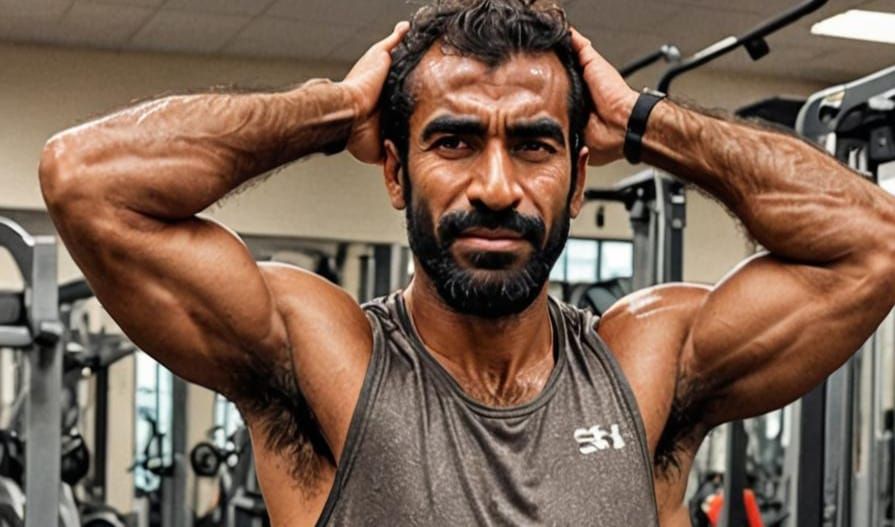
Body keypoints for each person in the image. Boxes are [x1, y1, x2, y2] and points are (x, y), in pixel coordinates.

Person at [38, 0, 895, 525]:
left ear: (576, 174)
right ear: (394, 167)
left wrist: (643, 119)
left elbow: (873, 244)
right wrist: (334, 107)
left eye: (533, 144)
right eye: (452, 140)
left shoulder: (649, 365)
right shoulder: (323, 357)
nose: (495, 185)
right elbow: (86, 180)